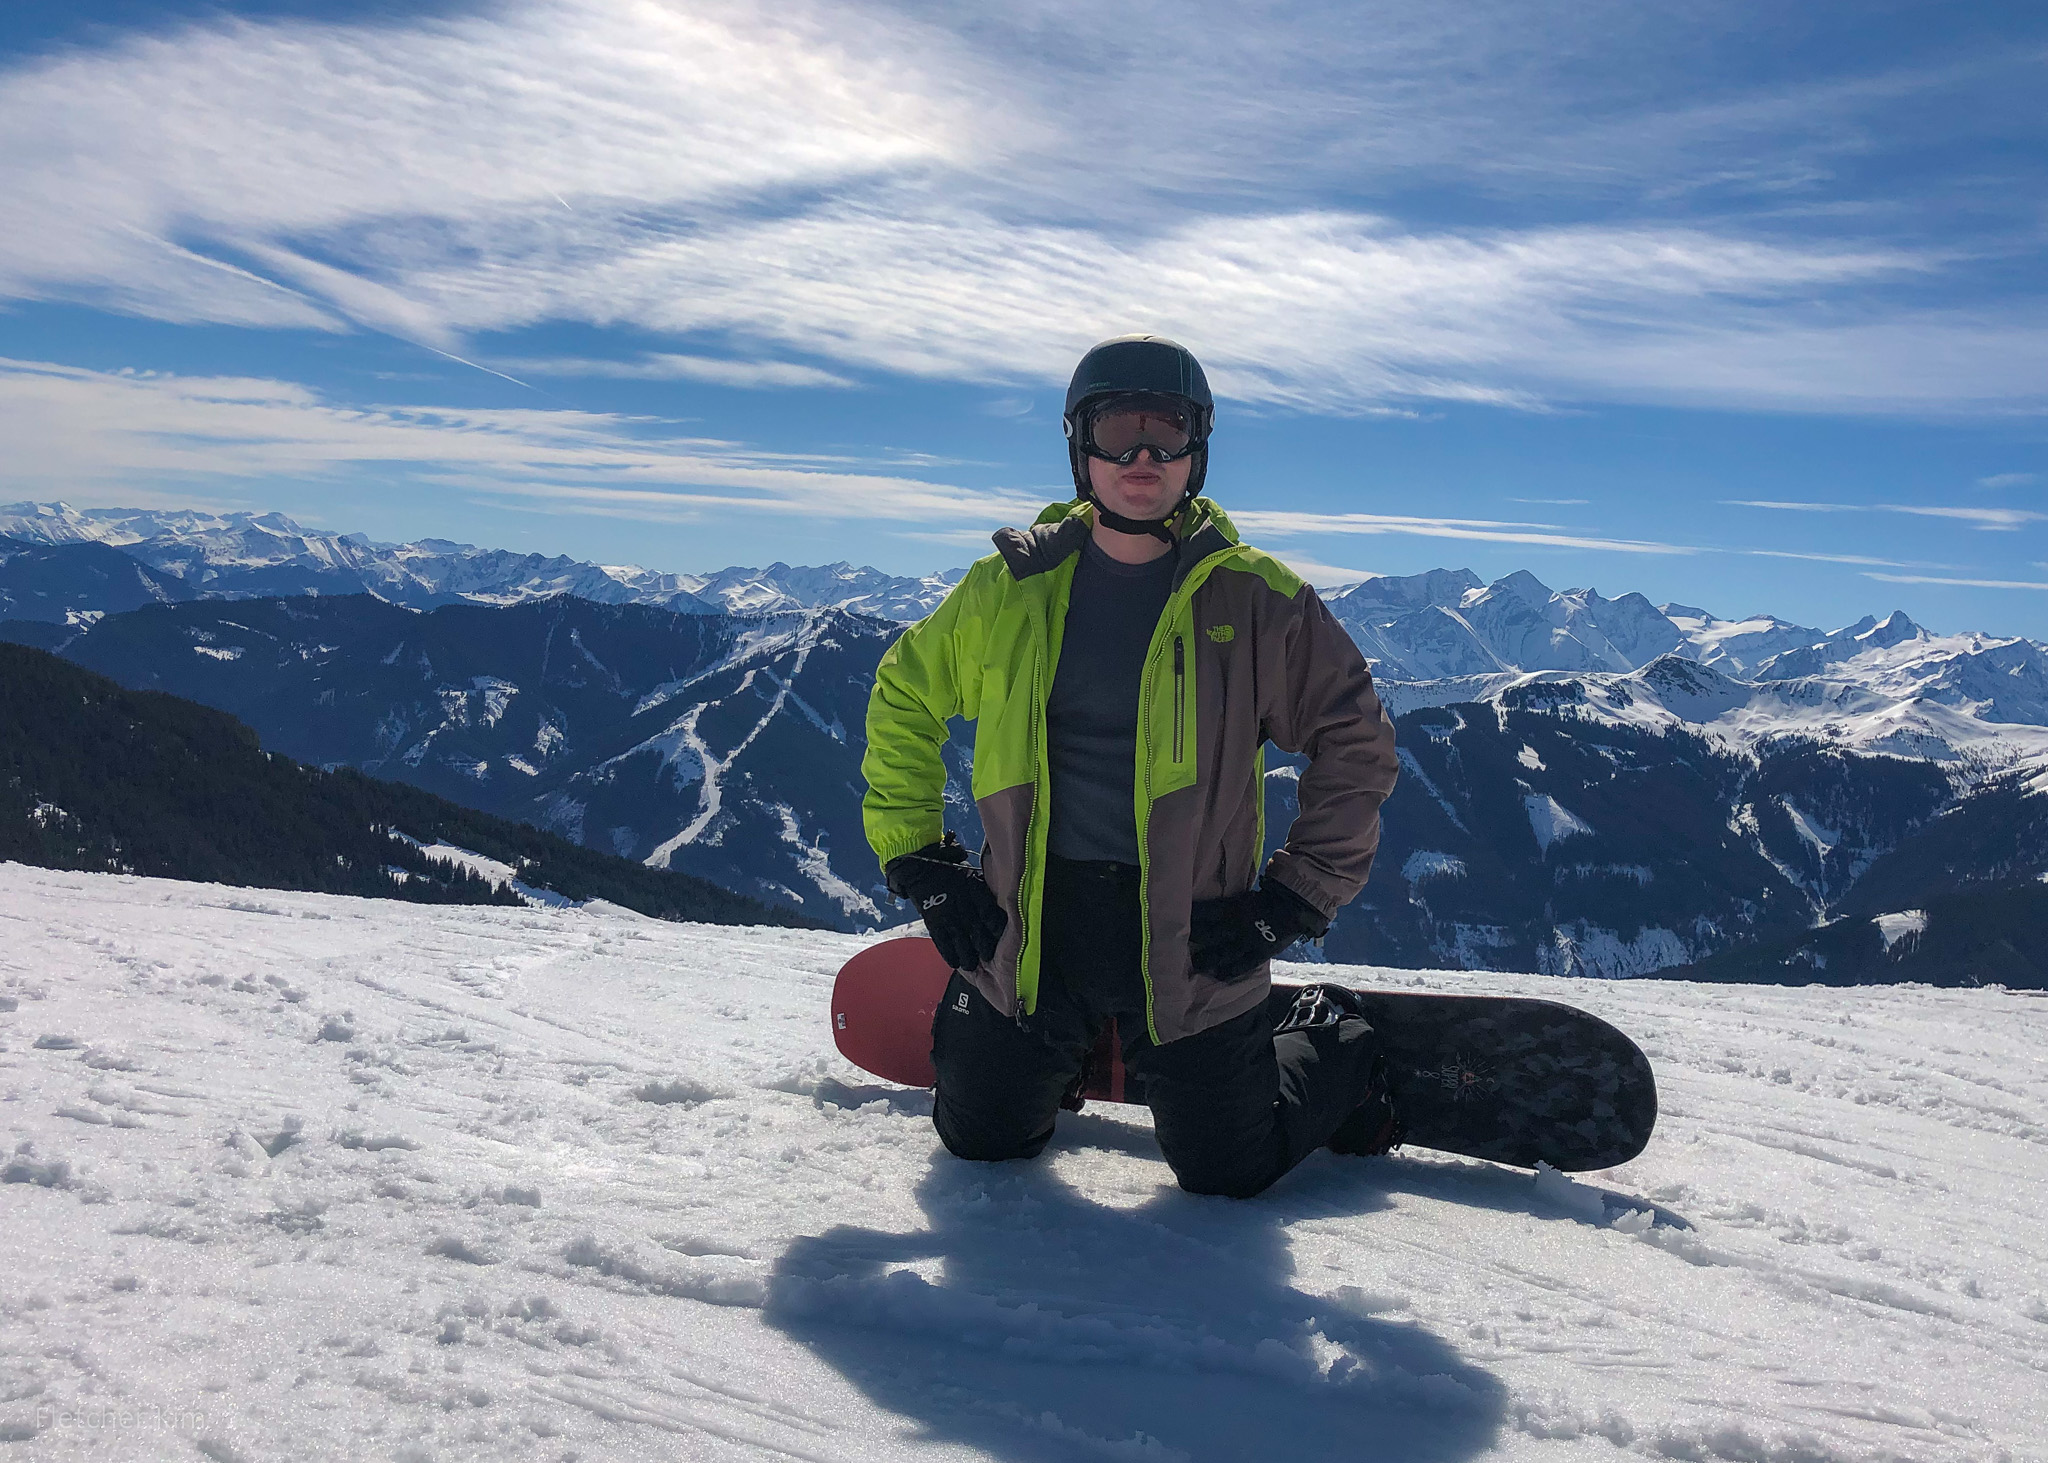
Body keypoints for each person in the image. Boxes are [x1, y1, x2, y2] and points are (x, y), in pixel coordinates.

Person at [861, 335, 1401, 1198]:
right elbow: (904, 694)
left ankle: (1332, 1032)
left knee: (1230, 1170)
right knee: (980, 1142)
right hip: (1032, 928)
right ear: (1081, 447)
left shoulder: (1256, 599)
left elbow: (1357, 738)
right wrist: (921, 859)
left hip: (1194, 934)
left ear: (1198, 449)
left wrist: (1296, 895)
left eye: (1167, 432)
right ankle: (1065, 1048)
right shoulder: (1010, 587)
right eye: (1119, 432)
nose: (1142, 457)